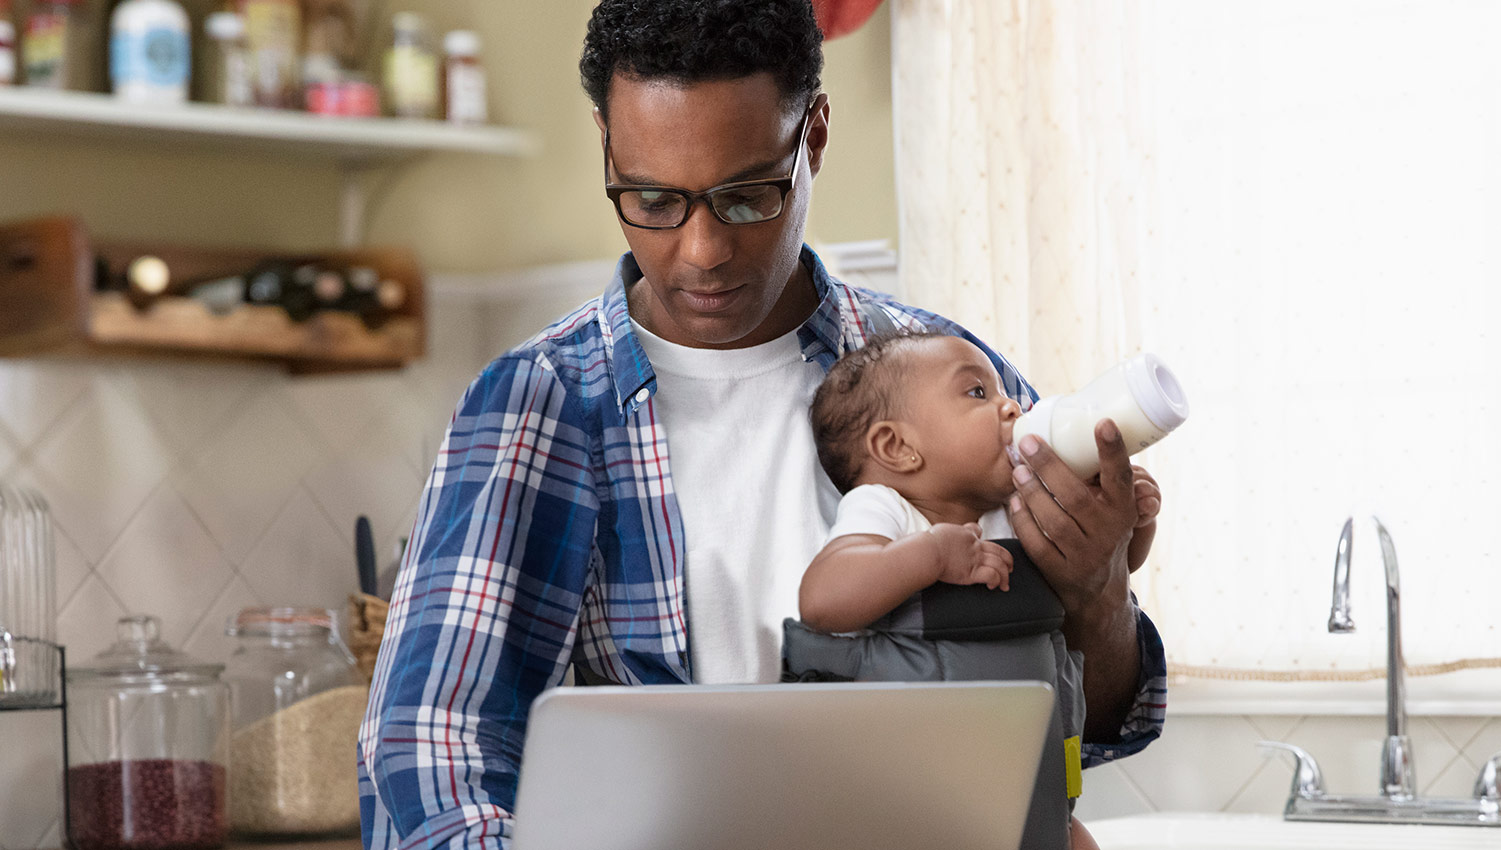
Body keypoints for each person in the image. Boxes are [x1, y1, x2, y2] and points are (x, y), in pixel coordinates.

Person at [356, 2, 1168, 847]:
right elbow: (430, 754)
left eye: (746, 197)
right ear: (607, 145)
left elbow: (1099, 725)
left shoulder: (946, 378)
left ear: (812, 135)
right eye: (651, 199)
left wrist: (1099, 591)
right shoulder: (536, 406)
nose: (701, 250)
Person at [791, 332, 1164, 850]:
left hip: (1026, 780)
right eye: (976, 394)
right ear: (896, 447)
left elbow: (1103, 572)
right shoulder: (887, 509)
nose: (1011, 405)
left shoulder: (1013, 512)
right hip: (917, 789)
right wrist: (931, 555)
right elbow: (823, 599)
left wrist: (1130, 527)